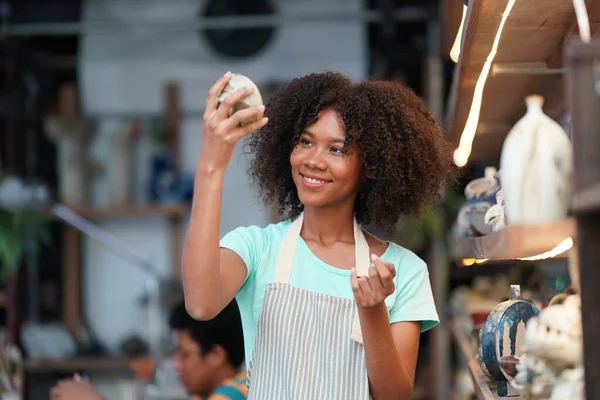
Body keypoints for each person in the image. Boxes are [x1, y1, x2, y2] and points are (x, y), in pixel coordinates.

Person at [182, 71, 454, 400]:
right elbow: (200, 304)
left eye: (336, 150)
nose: (314, 161)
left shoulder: (403, 270)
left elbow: (393, 396)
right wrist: (211, 165)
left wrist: (372, 311)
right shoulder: (256, 249)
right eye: (306, 142)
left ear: (370, 165)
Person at [51, 299, 246, 400]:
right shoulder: (201, 395)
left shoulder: (238, 391)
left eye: (184, 354)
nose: (176, 365)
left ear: (216, 355)